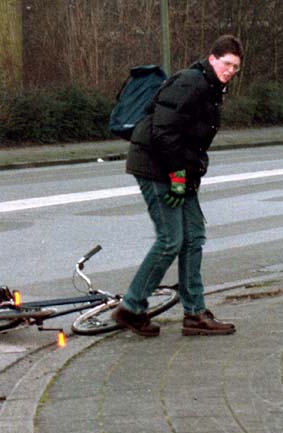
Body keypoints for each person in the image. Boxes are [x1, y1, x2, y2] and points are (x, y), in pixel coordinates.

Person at [111, 35, 243, 337]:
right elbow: (164, 133)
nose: (230, 71)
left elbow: (190, 140)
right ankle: (131, 307)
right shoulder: (191, 83)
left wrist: (189, 176)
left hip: (177, 170)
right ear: (212, 59)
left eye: (235, 67)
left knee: (194, 236)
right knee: (171, 239)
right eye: (226, 64)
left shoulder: (211, 88)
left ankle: (194, 314)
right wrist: (180, 180)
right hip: (154, 166)